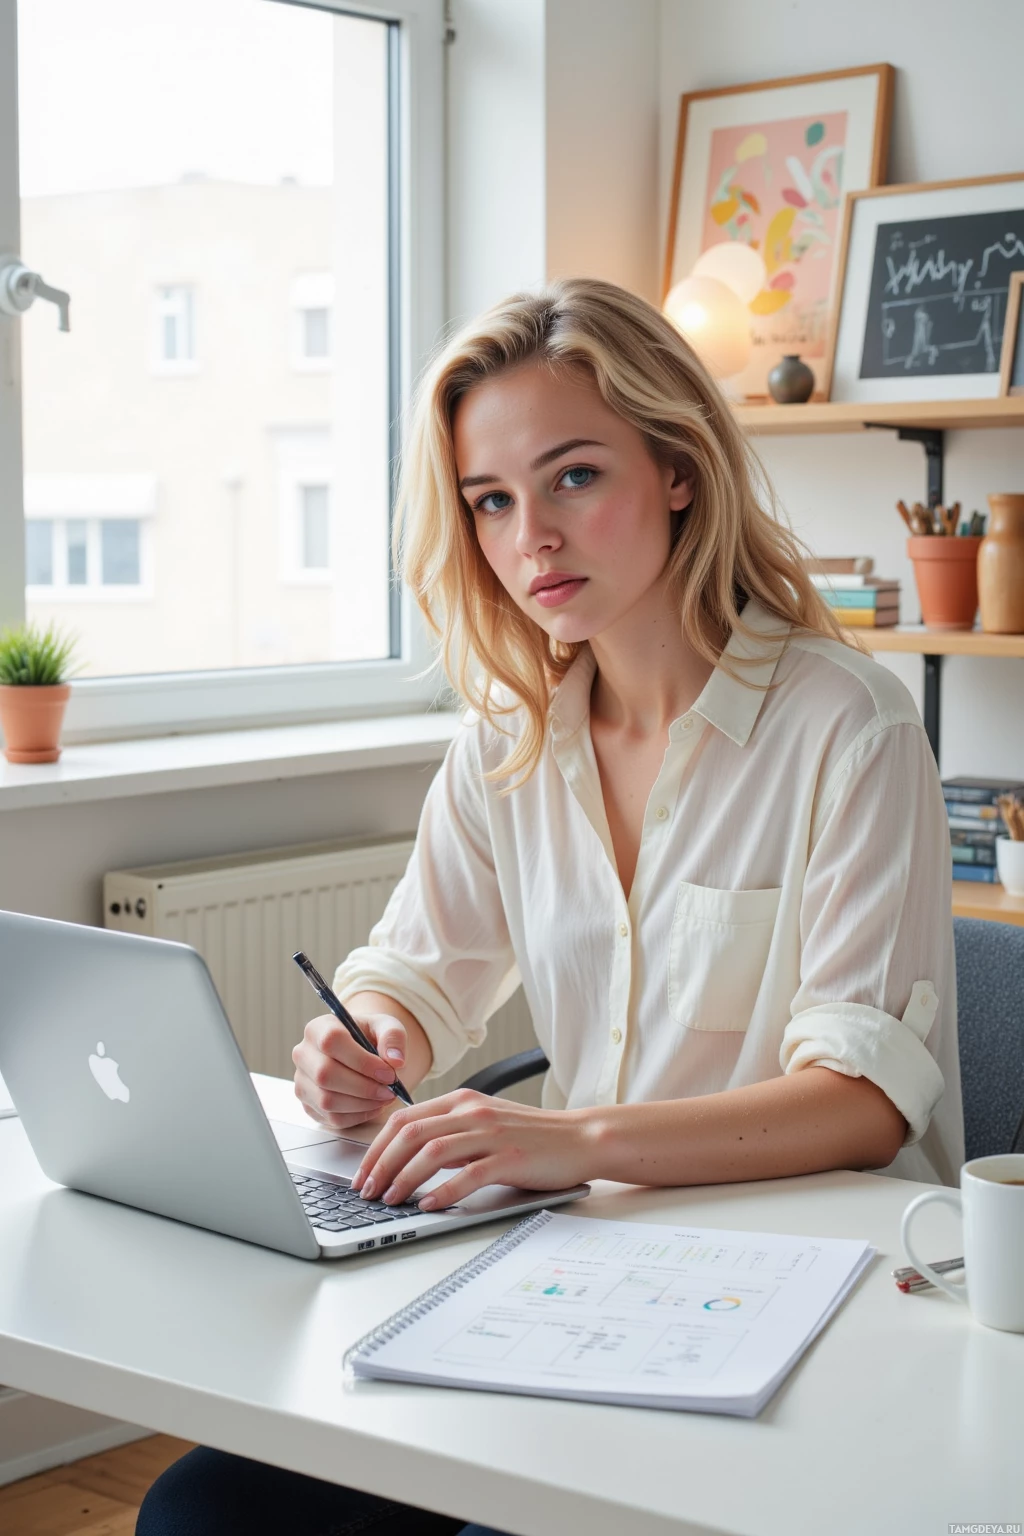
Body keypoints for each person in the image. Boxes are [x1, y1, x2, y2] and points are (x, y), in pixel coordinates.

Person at [137, 277, 963, 1534]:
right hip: (580, 1286)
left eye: (573, 477)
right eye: (490, 501)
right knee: (206, 1514)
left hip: (812, 1300)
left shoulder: (848, 729)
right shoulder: (508, 742)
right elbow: (411, 971)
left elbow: (861, 1107)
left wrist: (567, 1144)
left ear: (677, 469)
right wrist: (367, 1042)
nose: (532, 537)